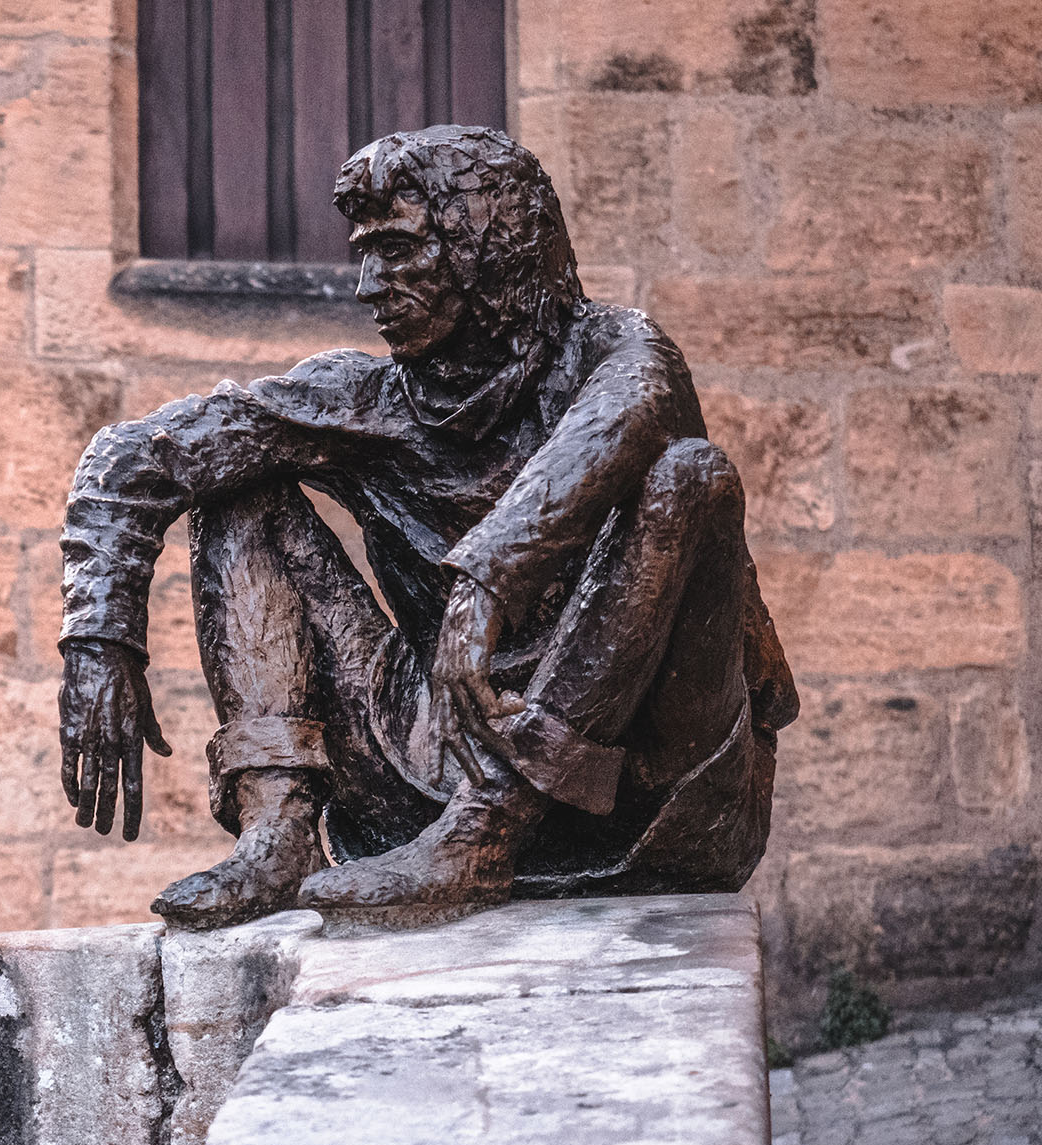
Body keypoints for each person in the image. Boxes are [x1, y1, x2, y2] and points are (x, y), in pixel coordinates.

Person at [56, 125, 799, 930]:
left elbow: (622, 419)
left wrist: (486, 583)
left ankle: (489, 831)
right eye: (366, 255)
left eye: (402, 252)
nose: (371, 285)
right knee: (239, 489)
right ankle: (278, 834)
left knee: (690, 477)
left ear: (489, 249)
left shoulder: (617, 350)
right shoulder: (366, 399)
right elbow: (133, 456)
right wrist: (99, 640)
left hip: (640, 788)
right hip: (426, 763)